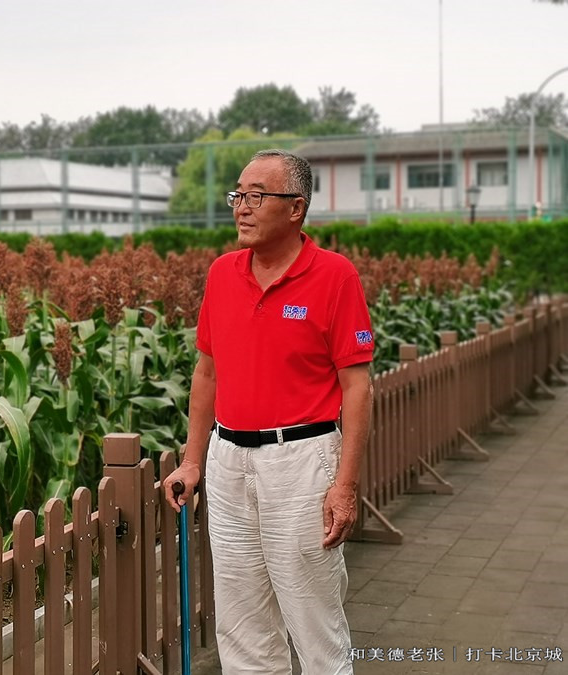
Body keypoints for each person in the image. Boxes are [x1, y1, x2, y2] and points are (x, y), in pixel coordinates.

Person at [164, 149, 374, 674]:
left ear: (296, 207)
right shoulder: (222, 274)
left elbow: (357, 387)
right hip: (228, 460)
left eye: (258, 196)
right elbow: (206, 374)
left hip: (301, 461)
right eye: (238, 195)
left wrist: (344, 486)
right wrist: (193, 462)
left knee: (314, 622)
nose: (242, 207)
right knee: (240, 625)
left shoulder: (334, 276)